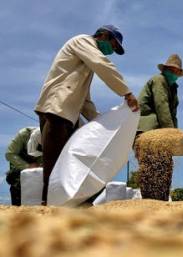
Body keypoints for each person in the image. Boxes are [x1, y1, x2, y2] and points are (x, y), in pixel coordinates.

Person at [34, 25, 139, 205]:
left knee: (67, 161)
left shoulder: (84, 65)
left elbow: (84, 99)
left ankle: (64, 202)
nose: (111, 51)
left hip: (67, 113)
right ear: (104, 35)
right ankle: (49, 204)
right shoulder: (82, 41)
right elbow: (101, 64)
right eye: (113, 46)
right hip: (57, 107)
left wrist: (100, 119)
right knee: (55, 160)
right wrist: (126, 93)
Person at [136, 54, 183, 135]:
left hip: (160, 129)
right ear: (165, 70)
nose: (174, 74)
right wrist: (171, 133)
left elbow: (173, 115)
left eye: (176, 72)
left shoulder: (173, 89)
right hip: (147, 127)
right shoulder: (159, 79)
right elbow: (162, 106)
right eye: (171, 70)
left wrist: (176, 134)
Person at [5, 127, 43, 206]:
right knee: (16, 189)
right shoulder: (23, 134)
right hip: (18, 172)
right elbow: (10, 154)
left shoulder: (50, 140)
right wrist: (27, 166)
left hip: (35, 177)